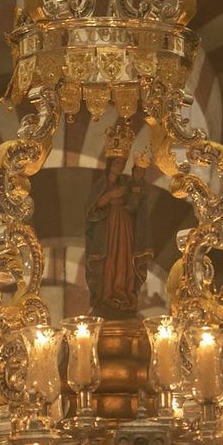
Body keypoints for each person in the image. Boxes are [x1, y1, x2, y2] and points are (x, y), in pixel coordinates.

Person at [85, 123, 152, 317]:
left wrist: (137, 185)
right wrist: (108, 197)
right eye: (117, 163)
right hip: (107, 230)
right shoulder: (100, 185)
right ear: (110, 163)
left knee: (124, 261)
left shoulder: (126, 183)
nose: (120, 166)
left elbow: (134, 204)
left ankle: (124, 294)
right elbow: (91, 210)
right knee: (108, 263)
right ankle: (106, 297)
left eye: (123, 163)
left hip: (124, 227)